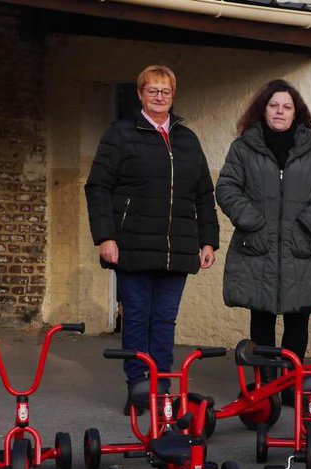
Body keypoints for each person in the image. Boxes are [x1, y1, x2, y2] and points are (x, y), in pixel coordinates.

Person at [85, 65, 219, 413]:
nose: (159, 97)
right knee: (137, 317)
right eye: (152, 90)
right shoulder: (120, 134)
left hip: (177, 248)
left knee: (164, 321)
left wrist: (208, 241)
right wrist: (106, 236)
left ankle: (162, 388)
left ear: (173, 96)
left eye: (166, 91)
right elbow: (97, 186)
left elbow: (204, 193)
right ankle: (138, 388)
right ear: (140, 93)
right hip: (131, 245)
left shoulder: (186, 138)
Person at [216, 79, 311, 405]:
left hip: (300, 248)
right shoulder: (243, 148)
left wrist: (307, 224)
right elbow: (226, 188)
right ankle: (266, 385)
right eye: (274, 105)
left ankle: (290, 385)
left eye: (286, 107)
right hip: (259, 248)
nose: (280, 112)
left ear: (296, 113)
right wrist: (253, 221)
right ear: (263, 109)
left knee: (298, 319)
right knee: (263, 317)